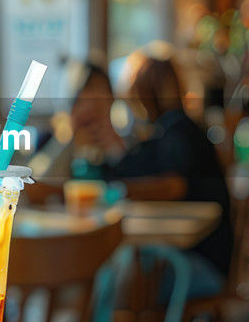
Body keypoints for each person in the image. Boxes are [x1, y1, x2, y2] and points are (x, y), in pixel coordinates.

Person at [99, 46, 233, 296]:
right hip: (203, 255)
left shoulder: (178, 133)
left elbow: (174, 186)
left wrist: (119, 191)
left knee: (121, 281)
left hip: (202, 263)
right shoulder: (178, 128)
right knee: (124, 272)